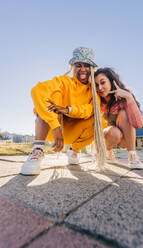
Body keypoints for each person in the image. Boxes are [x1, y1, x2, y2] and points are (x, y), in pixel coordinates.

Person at [21, 47, 100, 175]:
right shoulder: (63, 81)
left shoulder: (93, 91)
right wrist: (55, 126)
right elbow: (37, 90)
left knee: (100, 119)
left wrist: (68, 110)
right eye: (78, 65)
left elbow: (89, 110)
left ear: (91, 69)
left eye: (87, 65)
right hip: (53, 131)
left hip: (75, 134)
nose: (83, 69)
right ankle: (37, 150)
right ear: (73, 67)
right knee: (48, 98)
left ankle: (74, 151)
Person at [94, 67, 143, 169]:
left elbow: (138, 125)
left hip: (125, 139)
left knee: (124, 113)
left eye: (103, 82)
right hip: (107, 138)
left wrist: (129, 97)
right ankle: (108, 152)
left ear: (111, 82)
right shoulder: (97, 100)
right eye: (96, 85)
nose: (99, 88)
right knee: (114, 133)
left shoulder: (122, 99)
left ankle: (133, 157)